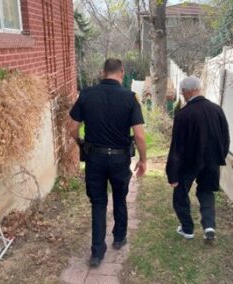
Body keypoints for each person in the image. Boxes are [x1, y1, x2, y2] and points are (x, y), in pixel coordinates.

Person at [69, 58, 147, 267]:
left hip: (94, 158)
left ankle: (97, 252)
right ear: (121, 73)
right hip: (120, 159)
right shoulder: (130, 98)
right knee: (120, 197)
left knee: (98, 202)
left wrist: (80, 143)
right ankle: (119, 238)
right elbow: (139, 135)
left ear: (103, 72)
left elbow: (72, 128)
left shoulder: (85, 95)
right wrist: (143, 160)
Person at [166, 76, 230, 241]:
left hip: (189, 162)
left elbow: (177, 147)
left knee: (180, 194)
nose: (182, 95)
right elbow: (225, 138)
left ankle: (187, 229)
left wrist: (172, 173)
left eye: (182, 92)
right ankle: (209, 227)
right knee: (206, 192)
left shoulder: (183, 114)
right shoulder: (217, 110)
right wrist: (219, 156)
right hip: (212, 160)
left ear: (186, 92)